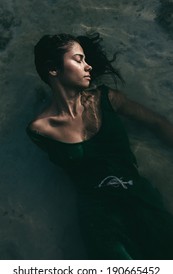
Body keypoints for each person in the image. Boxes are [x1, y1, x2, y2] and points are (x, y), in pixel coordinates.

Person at [26, 33, 173, 260]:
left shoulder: (107, 99)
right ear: (53, 69)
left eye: (85, 59)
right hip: (99, 219)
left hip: (139, 197)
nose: (88, 66)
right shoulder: (39, 130)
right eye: (79, 60)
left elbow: (157, 123)